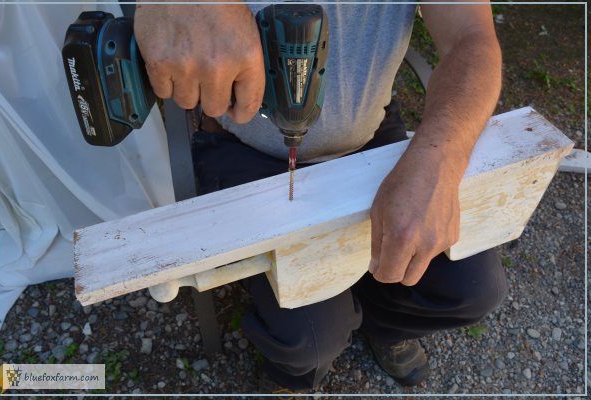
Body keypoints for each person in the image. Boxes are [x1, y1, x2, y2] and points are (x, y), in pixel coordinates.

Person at [134, 0, 507, 391]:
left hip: (369, 136)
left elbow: (472, 39)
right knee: (309, 338)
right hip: (244, 150)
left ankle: (383, 323)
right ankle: (294, 375)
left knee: (472, 288)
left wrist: (439, 163)